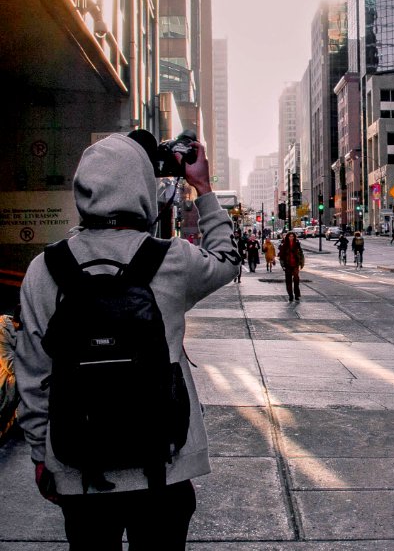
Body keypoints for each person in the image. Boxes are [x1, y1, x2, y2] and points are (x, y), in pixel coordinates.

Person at [15, 131, 240, 550]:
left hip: (80, 469)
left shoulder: (44, 269)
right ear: (142, 187)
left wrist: (41, 455)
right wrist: (203, 188)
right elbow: (227, 260)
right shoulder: (172, 259)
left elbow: (32, 374)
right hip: (164, 465)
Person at [278, 232, 304, 302]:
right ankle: (290, 295)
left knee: (296, 280)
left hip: (295, 264)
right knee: (288, 281)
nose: (291, 238)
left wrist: (301, 263)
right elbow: (281, 257)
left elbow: (301, 254)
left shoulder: (297, 244)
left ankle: (297, 294)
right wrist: (283, 266)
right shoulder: (284, 245)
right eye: (290, 236)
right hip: (287, 265)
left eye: (292, 236)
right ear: (288, 237)